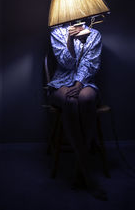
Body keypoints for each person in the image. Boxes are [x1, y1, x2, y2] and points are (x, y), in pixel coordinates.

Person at [48, 22, 107, 200]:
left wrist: (80, 82)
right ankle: (86, 171)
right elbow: (65, 63)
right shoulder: (57, 32)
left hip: (86, 80)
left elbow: (91, 63)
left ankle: (79, 168)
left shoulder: (94, 34)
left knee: (86, 98)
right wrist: (69, 40)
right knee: (71, 101)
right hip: (61, 81)